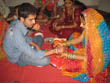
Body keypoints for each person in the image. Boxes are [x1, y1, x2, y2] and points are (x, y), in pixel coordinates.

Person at [50, 8, 110, 82]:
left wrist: (66, 54)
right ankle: (71, 51)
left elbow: (87, 58)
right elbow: (79, 39)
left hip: (93, 63)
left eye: (83, 23)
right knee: (74, 35)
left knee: (68, 66)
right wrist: (64, 43)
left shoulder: (97, 41)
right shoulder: (89, 29)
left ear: (90, 23)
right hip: (87, 52)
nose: (81, 25)